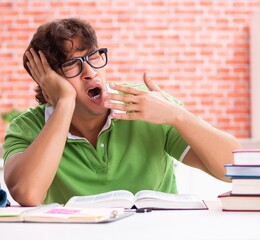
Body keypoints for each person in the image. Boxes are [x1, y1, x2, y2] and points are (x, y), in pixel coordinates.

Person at [3, 18, 241, 207]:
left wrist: (176, 115)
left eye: (93, 56)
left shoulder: (143, 103)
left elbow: (237, 169)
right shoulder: (27, 128)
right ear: (48, 82)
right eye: (71, 65)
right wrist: (64, 103)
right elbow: (28, 194)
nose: (90, 72)